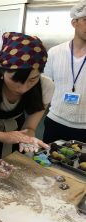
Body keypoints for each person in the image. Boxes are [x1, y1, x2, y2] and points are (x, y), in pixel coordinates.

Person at [0, 32, 54, 160]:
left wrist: (26, 138)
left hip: (16, 134)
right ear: (1, 70)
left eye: (33, 79)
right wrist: (1, 136)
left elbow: (30, 127)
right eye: (16, 80)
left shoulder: (45, 85)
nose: (23, 88)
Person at [43, 0, 86, 143]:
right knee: (46, 164)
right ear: (74, 23)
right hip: (55, 121)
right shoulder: (55, 52)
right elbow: (45, 86)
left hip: (84, 128)